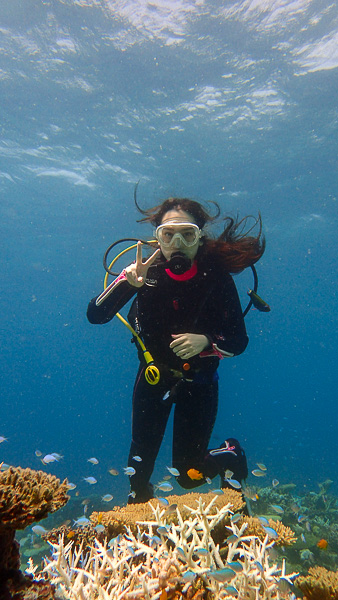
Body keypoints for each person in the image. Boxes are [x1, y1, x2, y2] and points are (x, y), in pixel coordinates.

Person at [87, 196, 265, 503]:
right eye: (168, 234)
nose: (178, 242)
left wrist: (207, 341)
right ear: (157, 239)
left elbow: (239, 342)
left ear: (200, 237)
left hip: (200, 382)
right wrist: (127, 283)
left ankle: (230, 454)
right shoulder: (144, 273)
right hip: (153, 378)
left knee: (188, 476)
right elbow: (96, 316)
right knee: (136, 474)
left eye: (188, 234)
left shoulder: (216, 278)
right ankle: (137, 538)